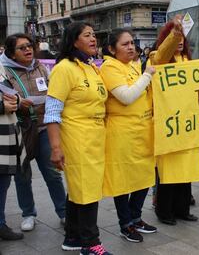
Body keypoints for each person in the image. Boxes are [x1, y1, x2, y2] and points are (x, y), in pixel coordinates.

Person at [44, 21, 112, 254]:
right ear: (74, 41)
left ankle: (72, 237)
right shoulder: (64, 68)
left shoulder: (93, 67)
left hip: (95, 137)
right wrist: (55, 148)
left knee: (78, 190)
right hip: (76, 138)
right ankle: (91, 244)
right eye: (87, 35)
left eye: (94, 35)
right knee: (87, 190)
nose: (93, 39)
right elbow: (52, 111)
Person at [0, 33, 66, 232]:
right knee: (22, 175)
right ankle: (28, 213)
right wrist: (19, 102)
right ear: (11, 53)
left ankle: (64, 212)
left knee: (53, 173)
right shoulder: (4, 71)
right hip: (20, 128)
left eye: (29, 46)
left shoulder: (41, 67)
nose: (28, 50)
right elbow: (6, 97)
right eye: (22, 48)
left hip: (44, 127)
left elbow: (53, 90)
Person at [100, 29, 157, 243]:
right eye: (125, 44)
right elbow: (126, 96)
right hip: (122, 133)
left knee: (144, 176)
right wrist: (147, 75)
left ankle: (136, 217)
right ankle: (125, 224)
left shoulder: (132, 65)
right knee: (122, 181)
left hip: (142, 130)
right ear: (112, 49)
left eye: (132, 42)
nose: (131, 47)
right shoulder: (109, 67)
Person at [150, 15, 199, 225]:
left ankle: (182, 209)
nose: (180, 39)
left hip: (188, 123)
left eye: (182, 36)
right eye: (175, 36)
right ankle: (164, 211)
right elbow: (161, 56)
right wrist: (174, 33)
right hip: (168, 124)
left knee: (186, 169)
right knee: (168, 171)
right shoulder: (157, 58)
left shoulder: (190, 62)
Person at [0, 62, 24, 241]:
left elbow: (13, 93)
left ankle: (0, 224)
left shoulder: (0, 67)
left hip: (7, 135)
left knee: (3, 183)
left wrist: (16, 101)